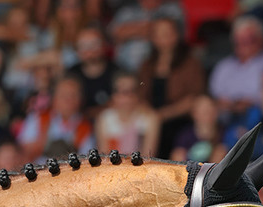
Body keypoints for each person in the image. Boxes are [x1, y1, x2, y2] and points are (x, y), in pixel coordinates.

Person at [138, 16, 205, 159]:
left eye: (168, 32)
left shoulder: (191, 63)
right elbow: (140, 94)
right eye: (159, 33)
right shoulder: (147, 64)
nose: (164, 36)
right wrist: (151, 114)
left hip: (180, 120)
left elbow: (194, 98)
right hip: (150, 120)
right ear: (152, 38)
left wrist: (162, 115)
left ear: (177, 35)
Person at [209, 15, 263, 126]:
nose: (244, 45)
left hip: (260, 117)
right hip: (226, 118)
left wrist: (251, 103)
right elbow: (216, 97)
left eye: (250, 40)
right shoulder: (223, 66)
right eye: (240, 40)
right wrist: (229, 104)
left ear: (261, 39)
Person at [17, 75, 95, 163]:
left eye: (73, 95)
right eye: (64, 95)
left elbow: (86, 160)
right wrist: (41, 143)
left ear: (81, 99)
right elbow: (22, 150)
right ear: (54, 98)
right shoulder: (38, 118)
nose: (68, 100)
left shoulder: (85, 127)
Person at [95, 72, 160, 156]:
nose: (128, 97)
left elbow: (149, 156)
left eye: (132, 91)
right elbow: (103, 155)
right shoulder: (104, 118)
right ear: (113, 95)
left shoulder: (149, 118)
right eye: (123, 92)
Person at [67, 26, 118, 122]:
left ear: (104, 45)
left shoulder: (117, 72)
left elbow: (123, 105)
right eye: (83, 45)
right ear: (77, 50)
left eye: (94, 44)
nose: (89, 51)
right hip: (77, 128)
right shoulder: (71, 74)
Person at [171, 94, 227, 163]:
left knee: (220, 152)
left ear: (216, 112)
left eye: (210, 109)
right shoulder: (185, 135)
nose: (207, 113)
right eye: (203, 110)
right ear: (194, 113)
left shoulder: (224, 133)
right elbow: (177, 156)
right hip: (189, 169)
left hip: (212, 170)